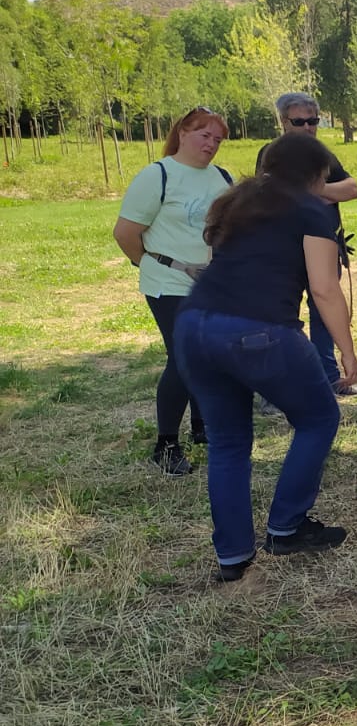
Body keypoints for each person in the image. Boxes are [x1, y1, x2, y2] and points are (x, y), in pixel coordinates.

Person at [174, 134, 357, 582]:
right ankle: (286, 526)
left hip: (194, 325)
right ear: (317, 175)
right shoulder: (311, 209)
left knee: (228, 443)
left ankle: (233, 557)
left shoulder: (235, 205)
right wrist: (347, 352)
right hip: (259, 330)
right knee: (318, 419)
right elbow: (324, 288)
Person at [112, 106, 233, 476]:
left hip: (210, 283)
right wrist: (150, 264)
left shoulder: (222, 178)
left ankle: (202, 426)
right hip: (168, 283)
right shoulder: (157, 175)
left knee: (207, 355)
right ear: (182, 132)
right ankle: (166, 444)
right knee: (183, 359)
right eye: (204, 135)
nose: (210, 144)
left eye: (217, 139)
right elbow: (125, 233)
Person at [258, 92, 357, 398]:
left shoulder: (322, 154)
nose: (308, 127)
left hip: (324, 246)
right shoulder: (272, 153)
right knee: (281, 320)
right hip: (286, 253)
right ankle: (275, 391)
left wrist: (313, 190)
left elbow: (352, 188)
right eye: (299, 121)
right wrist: (321, 193)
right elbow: (272, 196)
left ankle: (330, 380)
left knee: (325, 315)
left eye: (313, 121)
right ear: (283, 121)